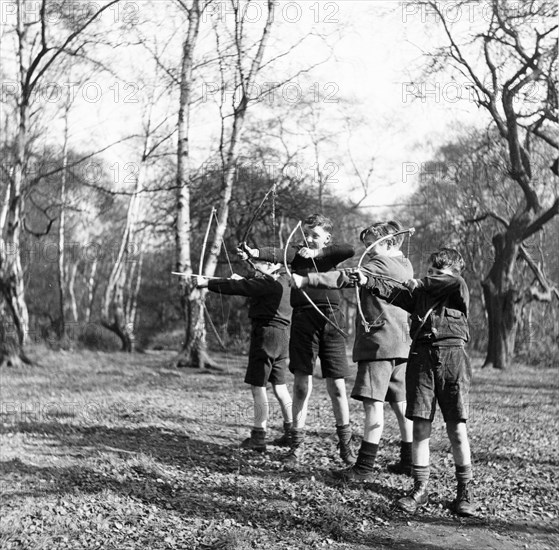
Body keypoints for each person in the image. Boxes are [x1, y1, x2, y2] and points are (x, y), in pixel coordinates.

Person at [291, 221, 414, 481]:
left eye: (372, 243)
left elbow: (344, 276)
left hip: (379, 344)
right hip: (401, 344)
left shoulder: (379, 264)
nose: (367, 250)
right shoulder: (405, 264)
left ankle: (364, 468)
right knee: (400, 403)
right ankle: (409, 461)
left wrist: (306, 279)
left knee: (373, 404)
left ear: (390, 243)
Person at [359, 247, 475, 516]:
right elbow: (396, 293)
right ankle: (420, 489)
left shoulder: (457, 288)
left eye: (439, 273)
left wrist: (422, 281)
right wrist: (369, 282)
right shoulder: (420, 295)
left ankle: (464, 491)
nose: (432, 276)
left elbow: (452, 281)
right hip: (421, 357)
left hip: (453, 358)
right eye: (430, 271)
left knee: (457, 428)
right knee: (420, 425)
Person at [240, 213, 355, 465]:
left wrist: (317, 254)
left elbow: (350, 248)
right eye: (307, 235)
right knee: (301, 385)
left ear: (327, 238)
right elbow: (277, 253)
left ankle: (345, 445)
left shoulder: (330, 254)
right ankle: (296, 445)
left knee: (336, 386)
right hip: (303, 321)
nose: (309, 239)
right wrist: (254, 252)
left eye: (316, 236)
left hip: (331, 321)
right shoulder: (296, 254)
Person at [197, 257, 293, 452]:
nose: (257, 269)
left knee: (258, 386)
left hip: (266, 334)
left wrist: (206, 283)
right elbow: (254, 286)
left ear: (274, 265)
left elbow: (242, 288)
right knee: (280, 387)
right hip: (283, 337)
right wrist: (242, 279)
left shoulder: (270, 282)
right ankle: (291, 432)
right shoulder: (286, 281)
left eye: (262, 265)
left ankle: (259, 437)